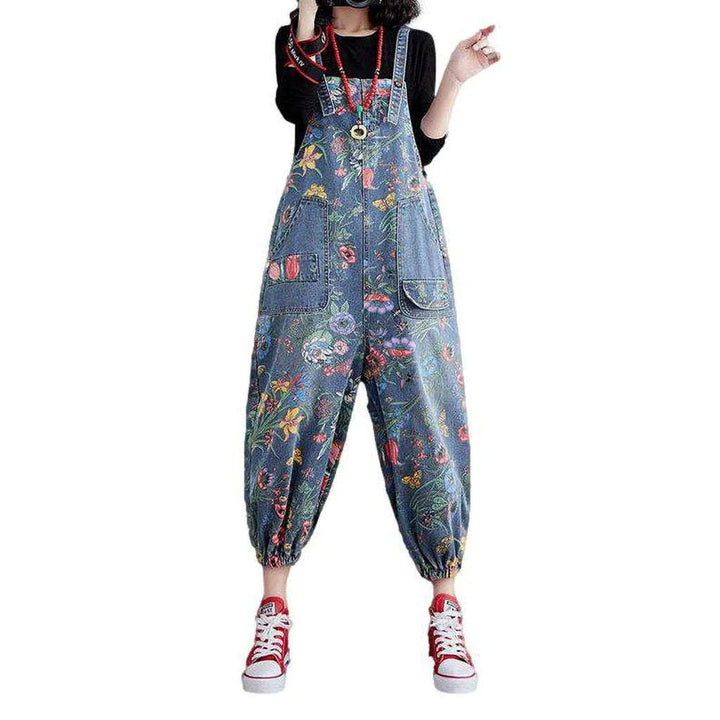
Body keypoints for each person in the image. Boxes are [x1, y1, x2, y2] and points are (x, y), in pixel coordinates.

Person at [241, 0, 500, 694]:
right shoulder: (298, 40)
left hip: (404, 264)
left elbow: (424, 147)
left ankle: (446, 606)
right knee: (284, 420)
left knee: (429, 423)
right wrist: (305, 14)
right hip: (312, 268)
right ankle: (273, 607)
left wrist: (454, 78)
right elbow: (295, 103)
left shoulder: (413, 46)